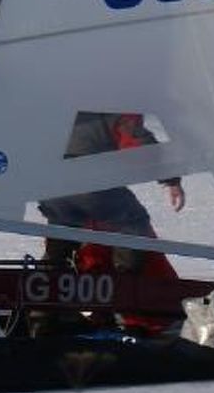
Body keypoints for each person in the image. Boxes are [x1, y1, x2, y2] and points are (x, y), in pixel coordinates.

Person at [38, 111, 187, 332]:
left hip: (50, 185)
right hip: (90, 184)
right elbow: (138, 143)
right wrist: (171, 179)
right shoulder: (116, 104)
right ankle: (123, 293)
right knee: (132, 222)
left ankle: (42, 306)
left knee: (64, 233)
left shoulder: (67, 103)